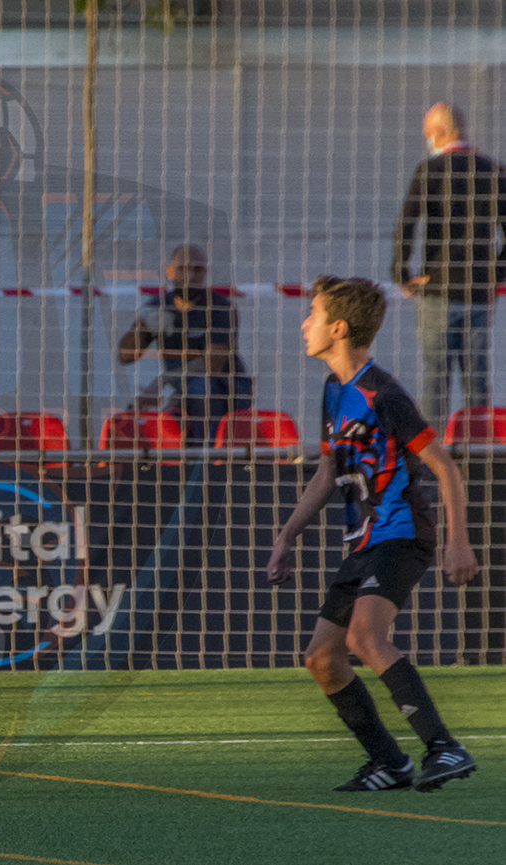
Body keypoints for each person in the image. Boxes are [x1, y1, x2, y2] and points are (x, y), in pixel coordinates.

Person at [266, 276, 478, 793]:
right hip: (363, 542)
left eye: (313, 314)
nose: (304, 324)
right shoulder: (334, 391)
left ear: (338, 328)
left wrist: (457, 541)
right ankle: (389, 762)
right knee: (322, 659)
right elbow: (326, 472)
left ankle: (444, 747)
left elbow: (445, 467)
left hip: (401, 532)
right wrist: (286, 536)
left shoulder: (382, 393)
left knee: (364, 637)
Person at [392, 102, 506, 430]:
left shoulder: (430, 170)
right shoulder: (494, 171)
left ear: (441, 134)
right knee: (477, 377)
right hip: (478, 291)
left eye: (428, 134)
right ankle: (479, 443)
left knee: (436, 379)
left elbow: (407, 222)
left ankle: (434, 448)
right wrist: (495, 274)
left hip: (438, 287)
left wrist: (401, 271)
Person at [118, 244, 253, 443]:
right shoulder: (158, 306)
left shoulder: (220, 306)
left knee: (200, 387)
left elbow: (213, 365)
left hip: (226, 387)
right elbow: (125, 356)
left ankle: (206, 455)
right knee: (151, 412)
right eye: (183, 268)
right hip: (181, 388)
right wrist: (142, 327)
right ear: (169, 271)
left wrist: (161, 381)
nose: (190, 275)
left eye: (197, 269)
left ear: (205, 273)